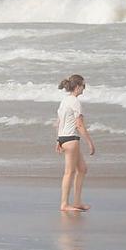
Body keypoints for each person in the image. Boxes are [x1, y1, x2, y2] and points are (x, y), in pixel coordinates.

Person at [56, 73, 95, 212]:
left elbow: (59, 121)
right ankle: (64, 204)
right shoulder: (75, 102)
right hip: (71, 139)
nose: (84, 88)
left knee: (82, 169)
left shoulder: (65, 100)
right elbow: (79, 125)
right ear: (77, 87)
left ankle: (77, 202)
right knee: (69, 172)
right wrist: (90, 142)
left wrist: (58, 140)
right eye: (83, 85)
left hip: (64, 138)